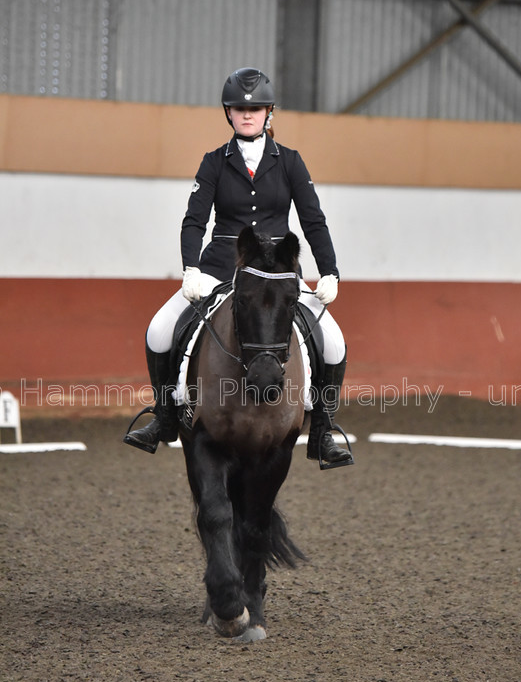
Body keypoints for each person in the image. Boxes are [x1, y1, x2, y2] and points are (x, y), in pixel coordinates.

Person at [124, 67, 352, 466]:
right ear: (228, 113)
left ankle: (322, 431)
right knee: (160, 329)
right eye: (239, 108)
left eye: (257, 108)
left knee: (333, 341)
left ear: (269, 113)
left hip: (277, 274)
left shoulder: (291, 163)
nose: (248, 114)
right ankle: (163, 416)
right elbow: (194, 220)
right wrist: (190, 269)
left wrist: (329, 271)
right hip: (220, 268)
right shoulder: (214, 162)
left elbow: (314, 220)